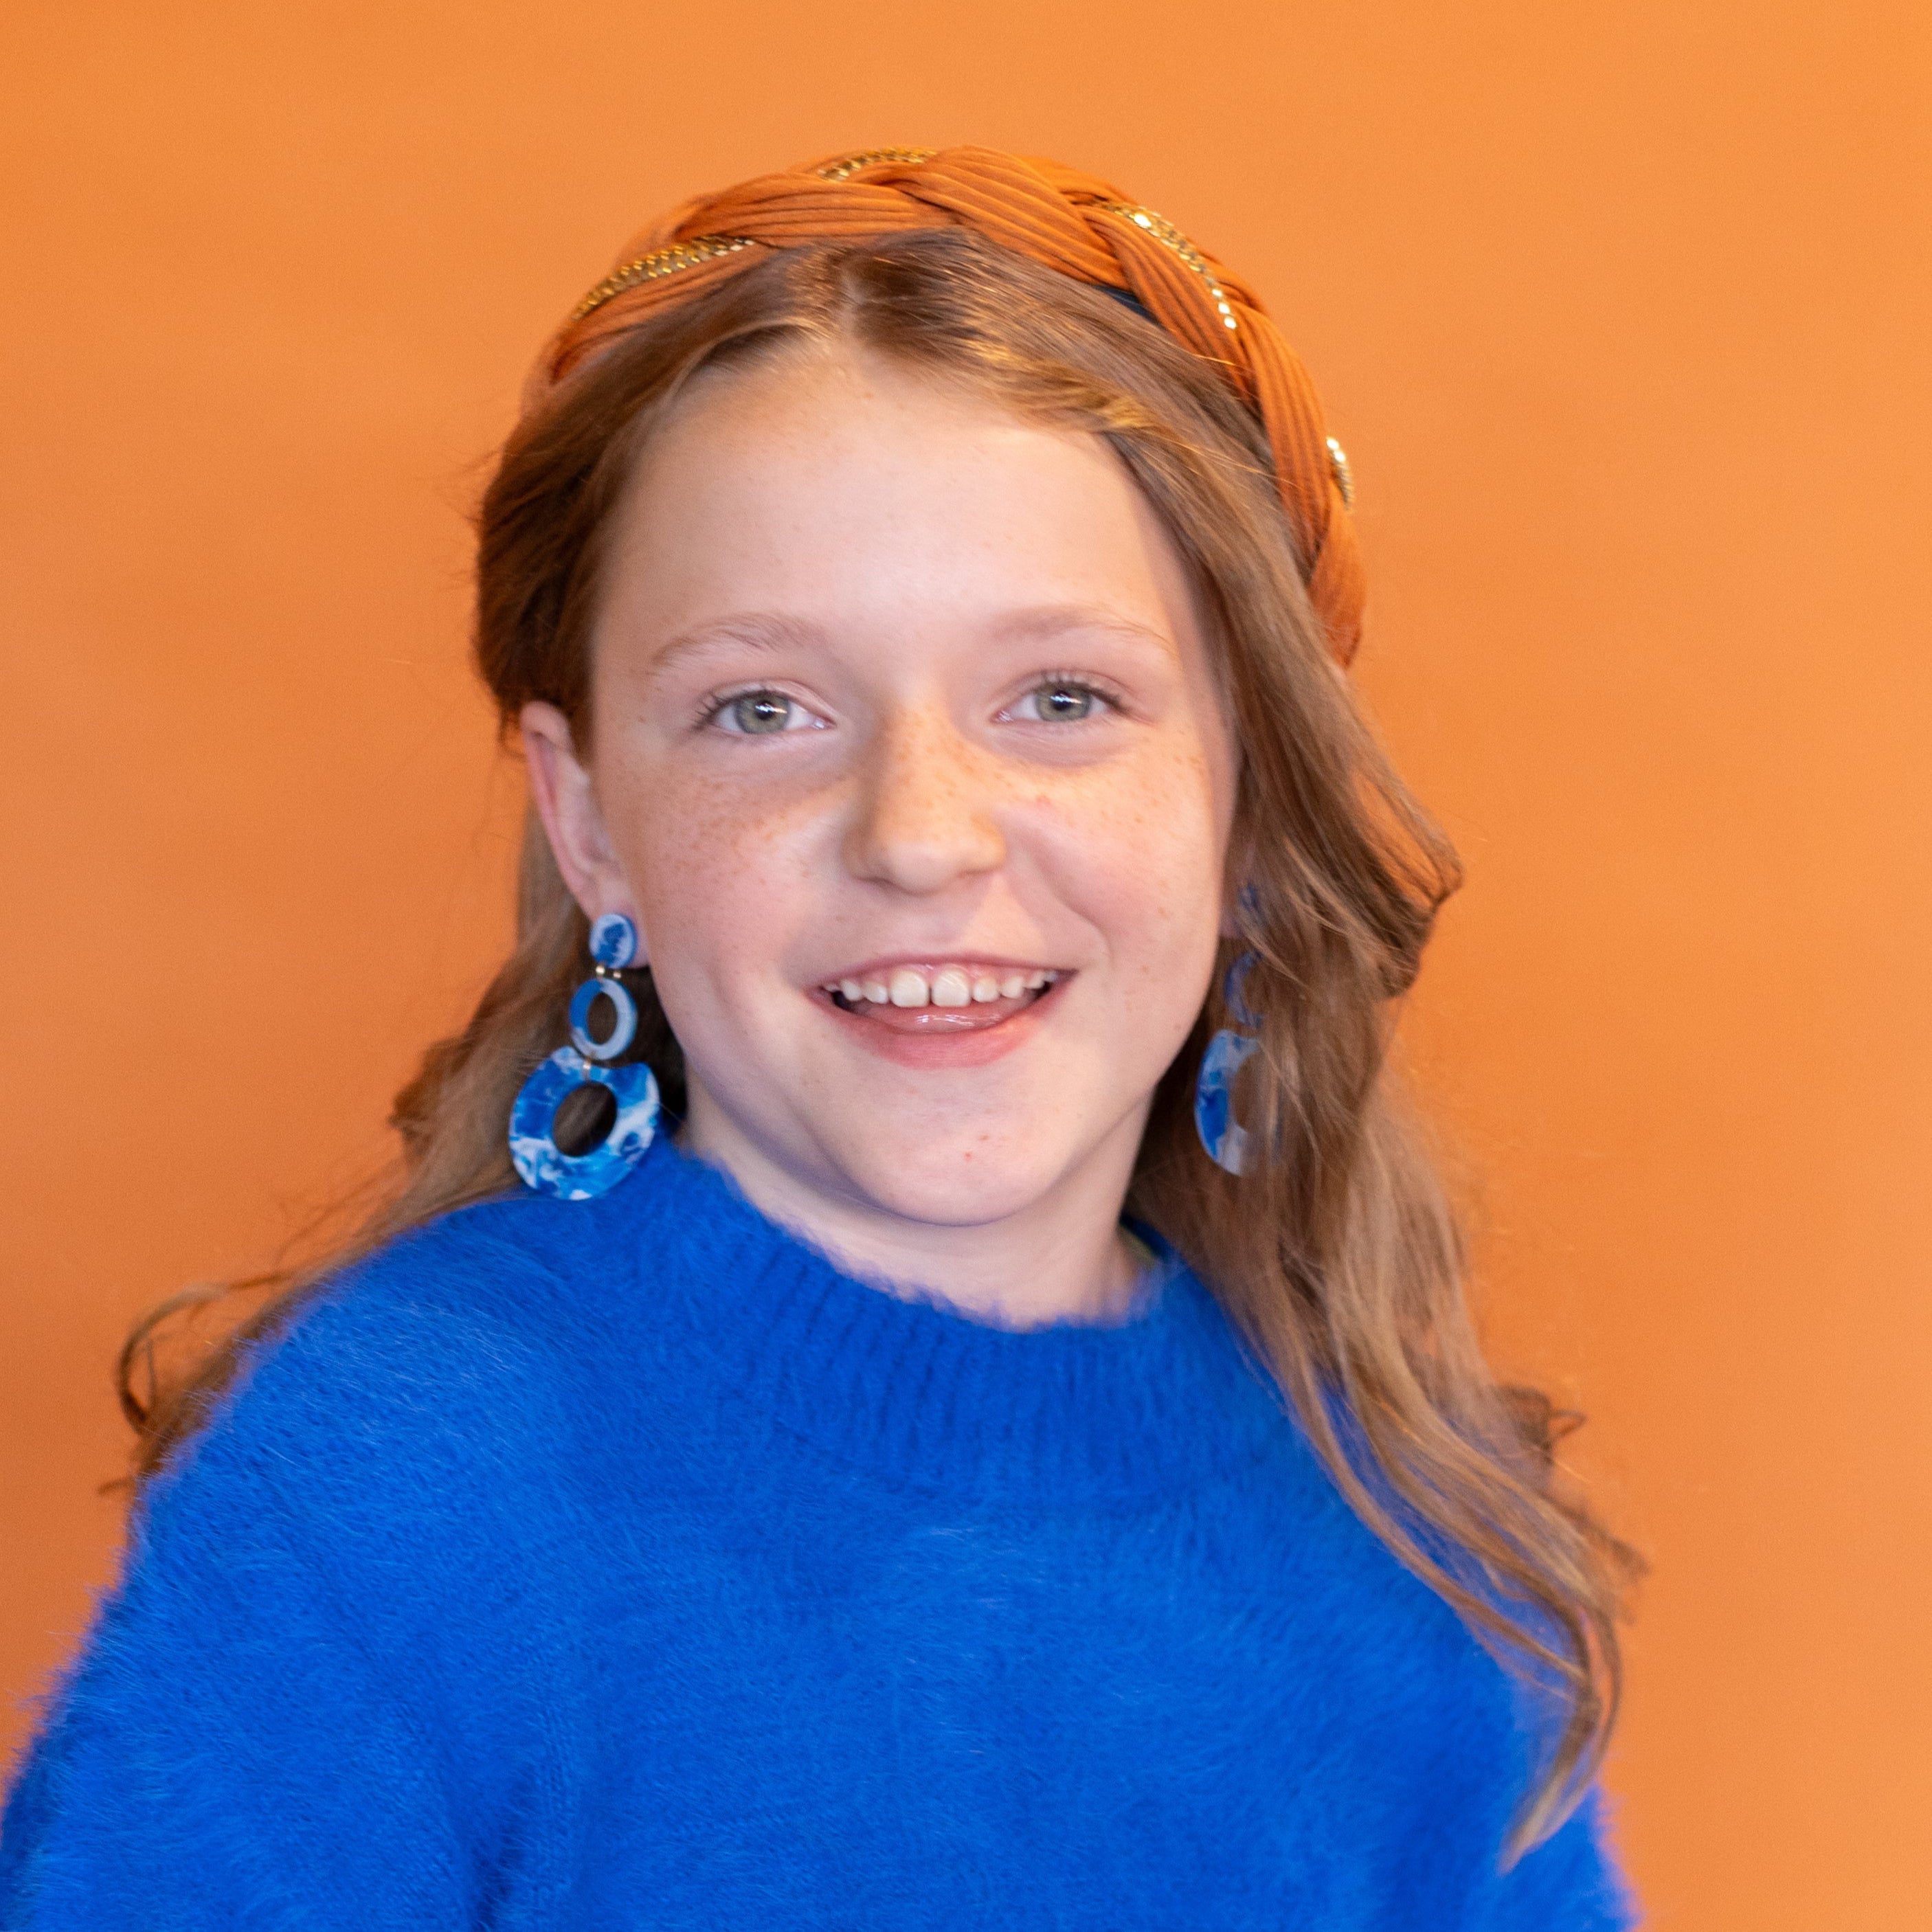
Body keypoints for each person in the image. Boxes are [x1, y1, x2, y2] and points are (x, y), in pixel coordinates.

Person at [0, 146, 1641, 1927]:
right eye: (762, 707)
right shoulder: (400, 1484)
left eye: (1061, 697)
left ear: (1248, 800)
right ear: (589, 818)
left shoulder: (1402, 1555)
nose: (919, 830)